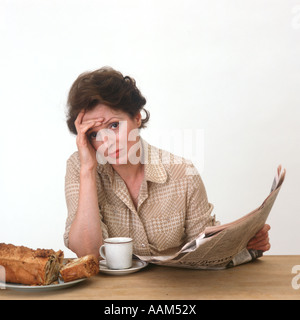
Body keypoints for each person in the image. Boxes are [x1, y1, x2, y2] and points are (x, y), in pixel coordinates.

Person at [63, 66, 271, 260]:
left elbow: (207, 251)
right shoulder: (80, 167)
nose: (106, 141)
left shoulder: (182, 173)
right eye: (94, 134)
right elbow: (88, 253)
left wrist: (248, 245)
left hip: (172, 295)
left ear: (136, 117)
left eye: (114, 125)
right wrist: (88, 170)